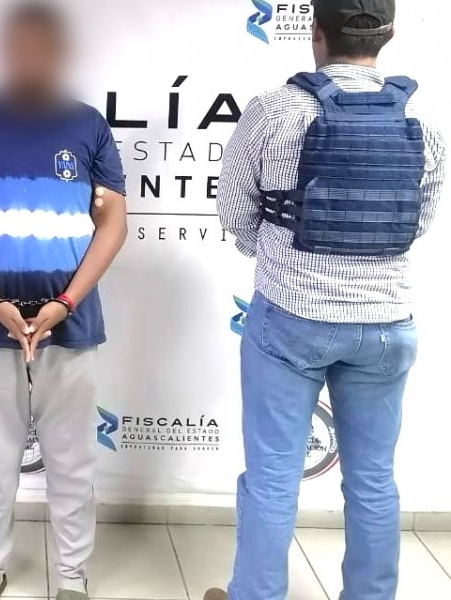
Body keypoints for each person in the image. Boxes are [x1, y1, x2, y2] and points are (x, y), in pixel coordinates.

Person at [206, 0, 446, 599]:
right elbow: (420, 221)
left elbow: (234, 210)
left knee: (272, 477)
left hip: (292, 317)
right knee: (373, 479)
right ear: (389, 33)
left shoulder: (276, 108)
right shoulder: (421, 115)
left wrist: (277, 253)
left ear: (316, 32)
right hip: (386, 323)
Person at [0, 3, 128, 599]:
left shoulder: (87, 125)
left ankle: (71, 579)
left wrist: (66, 301)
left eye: (43, 48)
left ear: (61, 54)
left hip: (71, 321)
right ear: (5, 52)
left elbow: (113, 223)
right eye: (20, 47)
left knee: (72, 462)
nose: (31, 59)